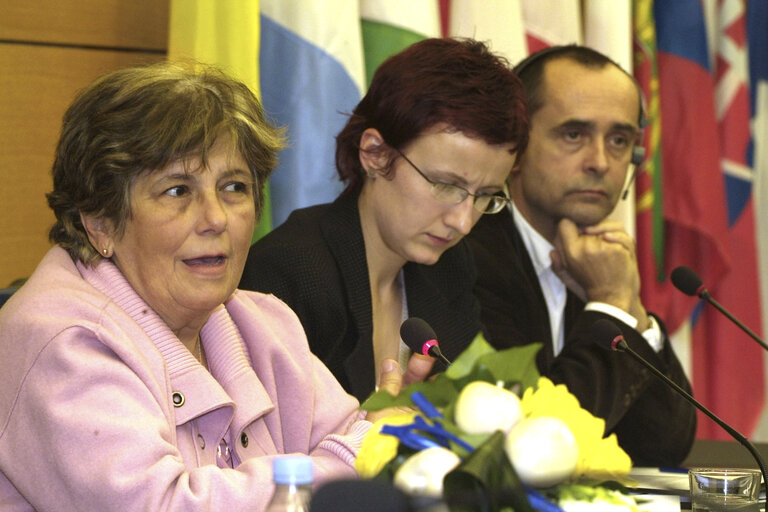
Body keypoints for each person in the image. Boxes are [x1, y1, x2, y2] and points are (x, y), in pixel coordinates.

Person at [0, 62, 402, 511]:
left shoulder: (265, 325)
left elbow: (364, 435)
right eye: (177, 191)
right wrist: (353, 462)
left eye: (234, 187)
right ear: (100, 221)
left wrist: (377, 440)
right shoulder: (61, 344)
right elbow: (161, 506)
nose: (216, 218)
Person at [240, 38, 528, 402]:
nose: (463, 222)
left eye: (486, 195)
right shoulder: (290, 273)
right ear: (375, 154)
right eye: (445, 185)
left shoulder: (450, 267)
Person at [465, 45, 696, 466]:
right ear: (514, 144)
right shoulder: (466, 256)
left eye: (619, 140)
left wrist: (632, 311)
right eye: (574, 135)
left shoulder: (598, 262)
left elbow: (663, 445)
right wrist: (607, 305)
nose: (601, 163)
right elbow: (530, 442)